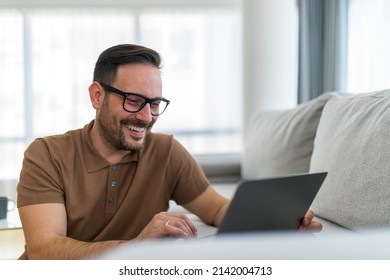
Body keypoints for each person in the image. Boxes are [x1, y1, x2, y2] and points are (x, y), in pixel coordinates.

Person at [16, 44, 322, 260]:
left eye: (154, 103)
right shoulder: (46, 154)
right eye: (133, 100)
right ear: (97, 95)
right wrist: (137, 246)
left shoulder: (166, 151)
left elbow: (215, 210)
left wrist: (277, 223)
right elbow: (45, 251)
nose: (147, 117)